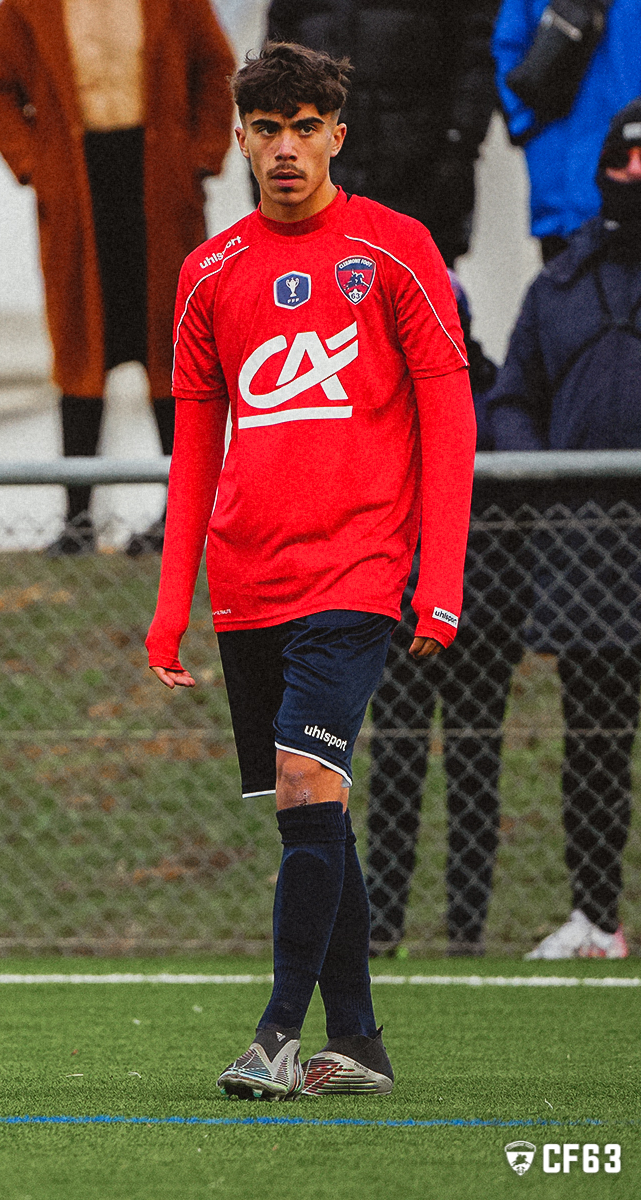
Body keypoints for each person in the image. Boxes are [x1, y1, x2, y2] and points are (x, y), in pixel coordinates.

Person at [146, 43, 475, 1098]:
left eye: (303, 126)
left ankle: (277, 1037)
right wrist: (169, 612)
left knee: (305, 781)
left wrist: (440, 582)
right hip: (250, 583)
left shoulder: (396, 250)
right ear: (239, 139)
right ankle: (361, 1044)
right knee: (313, 807)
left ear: (337, 134)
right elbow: (194, 447)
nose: (284, 148)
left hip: (358, 573)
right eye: (264, 128)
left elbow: (449, 423)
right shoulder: (208, 274)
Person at [0, 0, 235, 556]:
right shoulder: (26, 7)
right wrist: (34, 162)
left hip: (161, 186)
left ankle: (183, 517)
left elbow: (216, 69)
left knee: (175, 349)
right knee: (78, 350)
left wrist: (202, 155)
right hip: (75, 188)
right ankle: (77, 520)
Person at [487, 98, 641, 960]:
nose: (636, 181)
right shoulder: (558, 288)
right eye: (625, 164)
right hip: (587, 557)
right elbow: (512, 401)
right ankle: (595, 917)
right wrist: (546, 479)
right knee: (594, 746)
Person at [364, 273, 528, 958]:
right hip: (397, 614)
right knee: (395, 769)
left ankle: (466, 928)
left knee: (474, 770)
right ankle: (382, 926)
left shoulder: (492, 399)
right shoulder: (379, 398)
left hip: (480, 615)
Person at [265, 0, 499, 266]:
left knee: (418, 292)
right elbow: (274, 75)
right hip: (326, 174)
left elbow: (478, 53)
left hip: (421, 171)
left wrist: (460, 140)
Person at [494, 0, 641, 262]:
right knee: (564, 294)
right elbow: (507, 49)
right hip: (561, 190)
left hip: (625, 179)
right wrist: (528, 125)